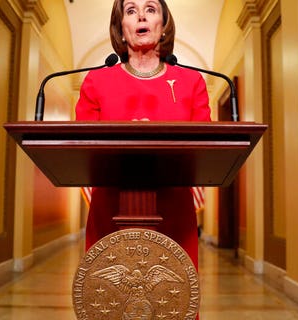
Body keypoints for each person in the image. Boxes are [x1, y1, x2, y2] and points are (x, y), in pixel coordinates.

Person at [75, 0, 211, 270]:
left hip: (174, 212)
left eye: (150, 9)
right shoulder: (96, 82)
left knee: (173, 300)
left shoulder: (192, 83)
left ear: (163, 26)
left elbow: (204, 151)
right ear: (121, 29)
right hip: (110, 211)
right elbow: (84, 151)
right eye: (130, 10)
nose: (141, 16)